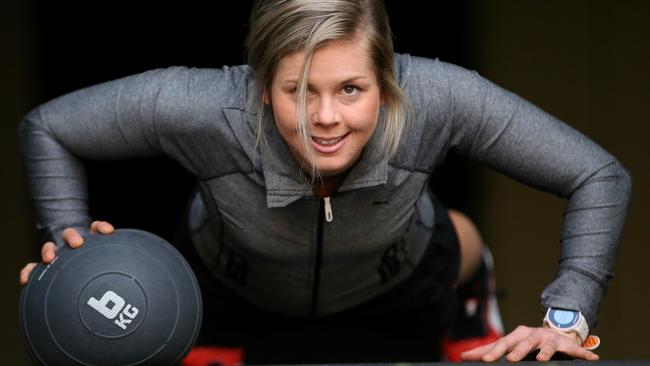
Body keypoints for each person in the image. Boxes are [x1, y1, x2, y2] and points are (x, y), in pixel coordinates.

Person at [18, 0, 631, 363]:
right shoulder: (196, 104)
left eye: (351, 90)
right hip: (233, 291)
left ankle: (471, 300)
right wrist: (68, 246)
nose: (326, 118)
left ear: (387, 85)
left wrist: (567, 319)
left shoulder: (441, 96)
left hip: (402, 284)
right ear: (263, 88)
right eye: (298, 92)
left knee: (453, 239)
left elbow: (598, 173)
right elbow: (50, 127)